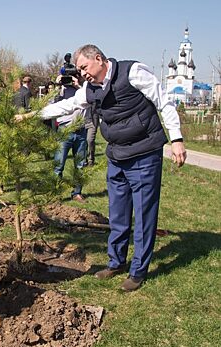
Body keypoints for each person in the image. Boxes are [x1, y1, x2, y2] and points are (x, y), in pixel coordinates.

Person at [38, 44, 187, 291]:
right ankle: (116, 262)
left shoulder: (133, 72)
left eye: (84, 67)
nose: (82, 73)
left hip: (144, 153)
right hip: (117, 155)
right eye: (79, 69)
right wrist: (34, 114)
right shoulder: (89, 89)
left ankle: (138, 271)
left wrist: (177, 139)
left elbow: (164, 100)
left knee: (143, 214)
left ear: (98, 58)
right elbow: (68, 106)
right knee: (117, 213)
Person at [46, 75, 88, 203]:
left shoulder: (82, 91)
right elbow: (49, 105)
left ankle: (77, 193)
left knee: (80, 166)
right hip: (65, 131)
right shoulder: (60, 91)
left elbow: (89, 97)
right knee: (58, 165)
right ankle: (55, 193)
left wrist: (77, 85)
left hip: (81, 131)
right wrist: (57, 87)